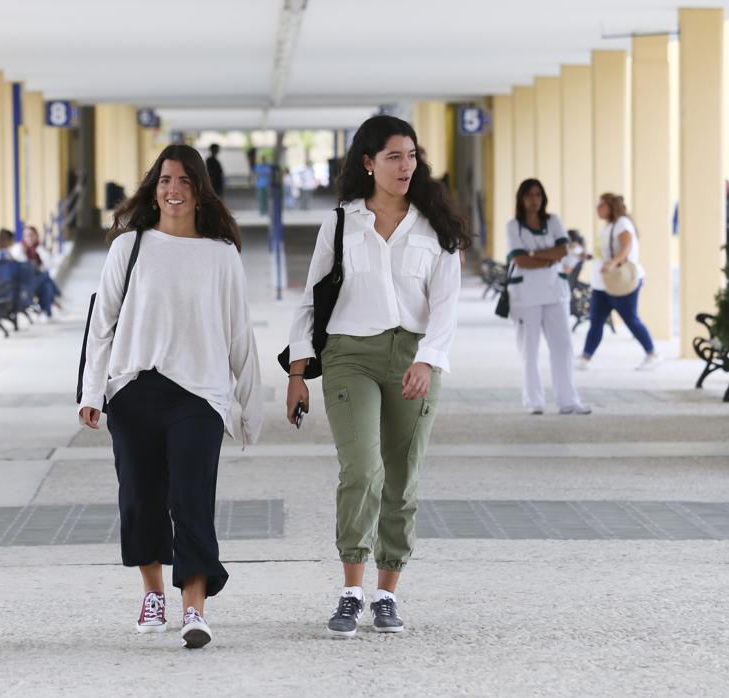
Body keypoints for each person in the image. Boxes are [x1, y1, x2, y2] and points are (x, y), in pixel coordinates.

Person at [285, 115, 468, 638]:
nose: (405, 165)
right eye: (393, 156)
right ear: (369, 163)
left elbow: (447, 304)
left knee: (403, 474)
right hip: (349, 356)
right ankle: (351, 589)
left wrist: (428, 359)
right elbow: (311, 299)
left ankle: (387, 593)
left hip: (413, 355)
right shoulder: (342, 223)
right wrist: (298, 372)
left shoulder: (436, 227)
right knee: (363, 469)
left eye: (411, 155)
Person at [78, 144, 262, 650]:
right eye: (164, 180)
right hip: (135, 390)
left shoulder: (221, 254)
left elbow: (238, 332)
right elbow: (102, 325)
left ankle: (194, 609)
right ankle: (153, 592)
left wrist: (250, 404)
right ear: (153, 188)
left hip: (199, 395)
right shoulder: (128, 246)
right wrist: (93, 390)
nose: (173, 190)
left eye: (183, 181)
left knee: (191, 499)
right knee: (140, 498)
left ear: (200, 190)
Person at [506, 179, 590, 415]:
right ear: (521, 198)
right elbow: (519, 259)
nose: (534, 200)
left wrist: (534, 253)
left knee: (563, 347)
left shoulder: (553, 221)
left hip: (555, 293)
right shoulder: (514, 226)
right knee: (529, 350)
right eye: (529, 195)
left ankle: (568, 401)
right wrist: (546, 257)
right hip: (526, 296)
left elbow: (563, 250)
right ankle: (534, 401)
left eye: (538, 195)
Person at [577, 193, 661, 371]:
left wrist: (613, 263)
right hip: (603, 284)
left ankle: (652, 354)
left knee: (630, 319)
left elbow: (626, 247)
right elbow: (605, 253)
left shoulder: (622, 223)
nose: (597, 208)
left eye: (601, 205)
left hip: (620, 282)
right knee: (596, 320)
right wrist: (589, 256)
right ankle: (585, 357)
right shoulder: (609, 226)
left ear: (611, 207)